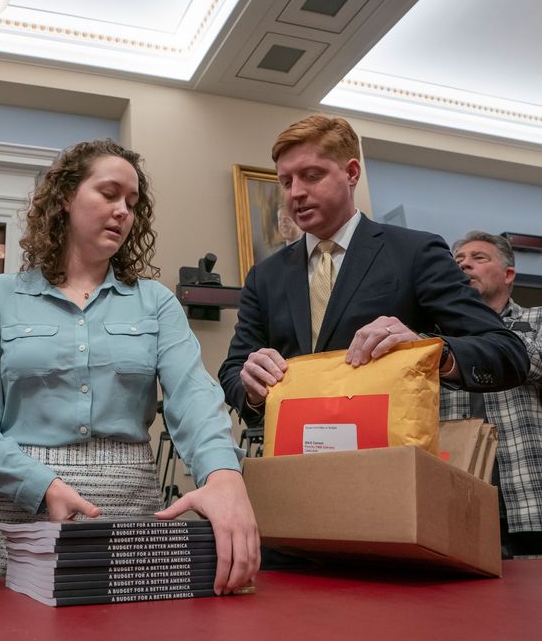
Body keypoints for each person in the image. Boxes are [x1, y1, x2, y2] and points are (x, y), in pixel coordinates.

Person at [0, 139, 259, 595]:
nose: (123, 212)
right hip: (12, 510)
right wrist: (42, 485)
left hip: (128, 504)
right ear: (65, 198)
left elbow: (195, 396)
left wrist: (225, 476)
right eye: (109, 194)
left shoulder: (156, 303)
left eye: (132, 203)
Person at [219, 115, 529, 428]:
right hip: (293, 457)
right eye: (286, 182)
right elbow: (233, 371)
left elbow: (507, 352)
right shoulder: (265, 276)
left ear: (351, 173)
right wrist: (251, 385)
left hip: (389, 454)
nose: (295, 193)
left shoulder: (414, 252)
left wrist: (427, 351)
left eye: (311, 176)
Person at [448, 231, 542, 556]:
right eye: (458, 261)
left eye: (479, 258)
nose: (465, 266)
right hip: (458, 501)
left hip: (528, 495)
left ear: (508, 274)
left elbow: (535, 362)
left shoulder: (537, 319)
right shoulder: (437, 338)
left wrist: (479, 327)